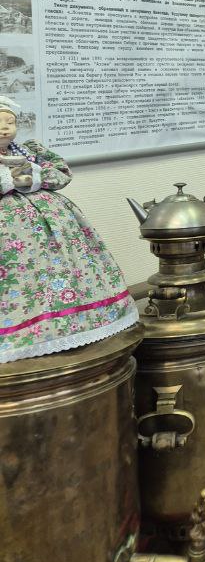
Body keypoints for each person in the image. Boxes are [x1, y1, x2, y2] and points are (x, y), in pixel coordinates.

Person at [0, 96, 139, 363]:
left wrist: (34, 177)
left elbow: (60, 172)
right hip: (10, 229)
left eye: (10, 122)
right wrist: (11, 179)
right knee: (20, 273)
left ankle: (75, 320)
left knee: (61, 267)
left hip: (52, 221)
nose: (5, 128)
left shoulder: (29, 150)